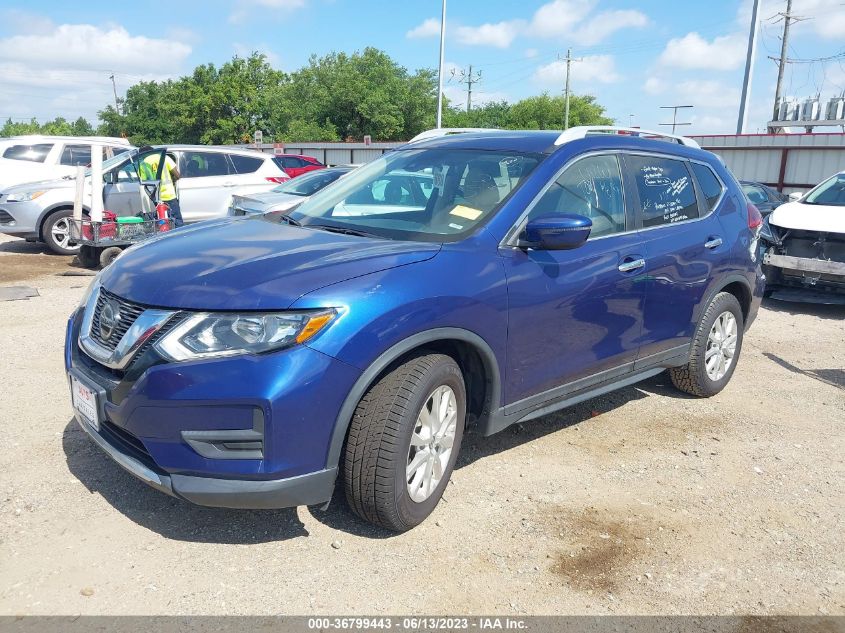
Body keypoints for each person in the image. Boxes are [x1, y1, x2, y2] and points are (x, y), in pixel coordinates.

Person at [139, 151, 183, 227]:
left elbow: (144, 182)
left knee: (163, 221)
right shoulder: (165, 158)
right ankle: (180, 236)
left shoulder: (143, 164)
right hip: (169, 194)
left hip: (156, 197)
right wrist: (173, 179)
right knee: (177, 219)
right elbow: (177, 175)